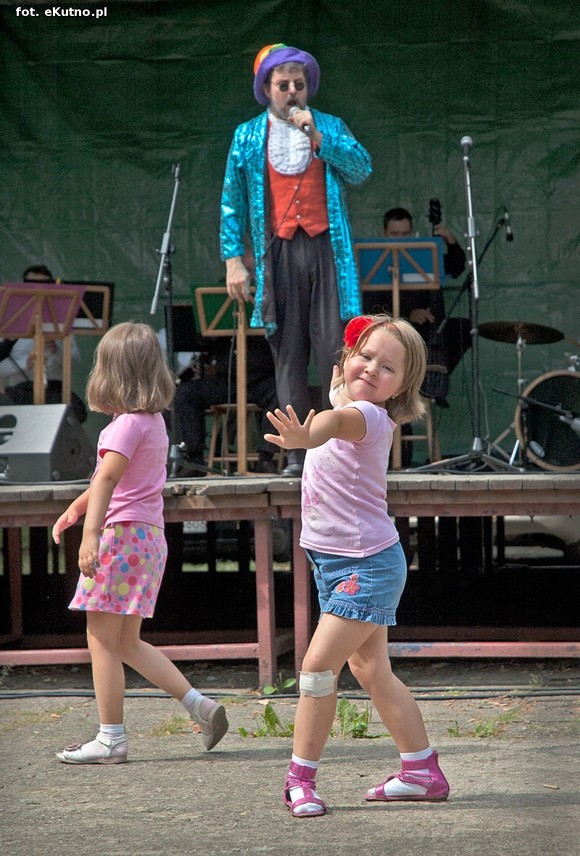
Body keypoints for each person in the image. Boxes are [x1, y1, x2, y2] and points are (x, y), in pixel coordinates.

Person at [264, 314, 450, 816]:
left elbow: (333, 423)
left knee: (316, 670)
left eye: (387, 367)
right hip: (343, 562)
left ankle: (299, 781)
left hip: (364, 567)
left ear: (401, 388)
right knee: (372, 671)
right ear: (345, 359)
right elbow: (337, 404)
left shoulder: (365, 416)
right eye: (364, 356)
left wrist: (305, 436)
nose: (371, 369)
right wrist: (335, 393)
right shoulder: (349, 400)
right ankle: (421, 772)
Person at [51, 321, 228, 764]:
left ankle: (110, 738)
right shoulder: (152, 423)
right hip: (147, 539)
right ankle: (200, 706)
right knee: (127, 642)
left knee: (101, 640)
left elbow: (107, 480)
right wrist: (77, 508)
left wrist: (90, 534)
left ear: (110, 373)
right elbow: (112, 480)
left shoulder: (122, 427)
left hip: (120, 538)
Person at [220, 43, 372, 476]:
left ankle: (338, 447)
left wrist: (319, 139)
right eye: (283, 85)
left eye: (298, 85)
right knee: (287, 352)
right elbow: (232, 202)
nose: (292, 92)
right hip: (278, 253)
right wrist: (233, 259)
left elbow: (361, 169)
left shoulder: (329, 125)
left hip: (327, 249)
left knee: (332, 349)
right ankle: (297, 453)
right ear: (266, 88)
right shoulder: (248, 136)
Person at [364, 208, 471, 403]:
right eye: (394, 234)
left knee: (464, 328)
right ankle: (408, 382)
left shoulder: (424, 255)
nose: (400, 239)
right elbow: (371, 308)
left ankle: (431, 377)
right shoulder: (374, 261)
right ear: (384, 233)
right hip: (392, 331)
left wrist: (451, 241)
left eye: (405, 234)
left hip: (425, 330)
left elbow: (456, 267)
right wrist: (408, 314)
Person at [174, 334, 280, 474]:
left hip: (260, 378)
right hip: (227, 381)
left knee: (281, 392)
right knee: (186, 393)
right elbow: (206, 344)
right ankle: (194, 460)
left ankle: (267, 457)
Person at [0, 264, 87, 423]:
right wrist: (25, 364)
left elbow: (75, 361)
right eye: (30, 285)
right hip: (21, 389)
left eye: (45, 286)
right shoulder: (9, 325)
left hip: (54, 388)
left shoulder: (60, 324)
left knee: (76, 412)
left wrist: (56, 350)